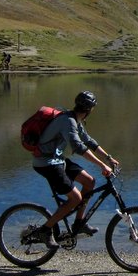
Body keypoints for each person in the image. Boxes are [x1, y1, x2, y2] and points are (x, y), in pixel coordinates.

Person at [32, 91, 118, 248]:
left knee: (89, 182)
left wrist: (108, 158)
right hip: (46, 163)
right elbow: (78, 146)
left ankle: (79, 224)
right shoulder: (68, 121)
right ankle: (45, 230)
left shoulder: (75, 119)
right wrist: (102, 165)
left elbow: (88, 141)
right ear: (90, 109)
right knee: (76, 198)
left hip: (57, 160)